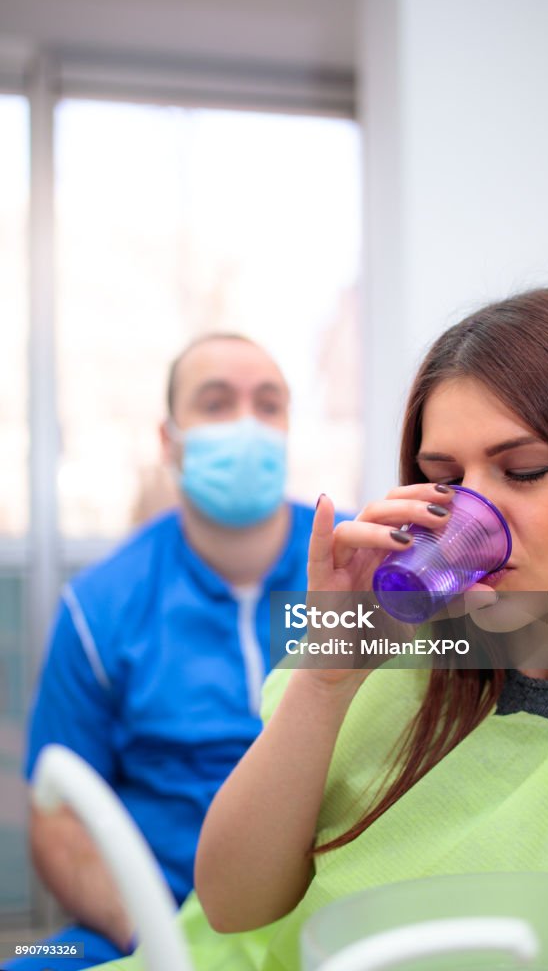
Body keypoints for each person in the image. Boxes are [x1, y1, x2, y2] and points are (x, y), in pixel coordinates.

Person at [97, 286, 548, 971]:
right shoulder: (400, 653)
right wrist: (327, 676)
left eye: (524, 471)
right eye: (445, 479)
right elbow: (232, 904)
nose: (474, 514)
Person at [8, 333, 342, 971]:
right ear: (169, 440)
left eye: (268, 405)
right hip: (153, 914)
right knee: (30, 960)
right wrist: (155, 938)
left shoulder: (360, 566)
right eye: (216, 404)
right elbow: (56, 816)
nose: (247, 424)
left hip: (330, 905)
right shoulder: (102, 605)